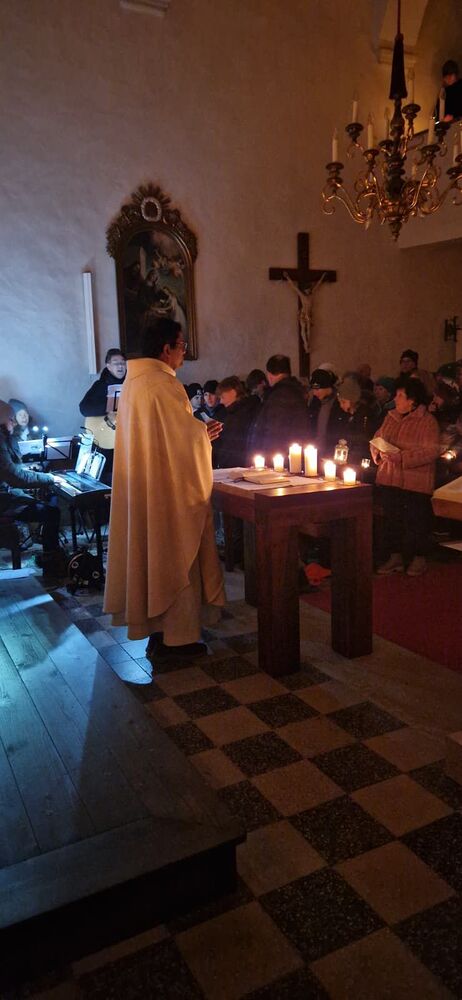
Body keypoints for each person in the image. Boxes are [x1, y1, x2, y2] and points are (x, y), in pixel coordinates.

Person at [103, 317, 225, 660]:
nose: (184, 352)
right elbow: (181, 442)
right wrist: (203, 435)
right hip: (167, 495)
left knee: (150, 555)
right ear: (166, 349)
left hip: (146, 488)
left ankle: (157, 633)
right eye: (181, 346)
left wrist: (195, 434)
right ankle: (179, 639)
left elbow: (165, 436)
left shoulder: (133, 382)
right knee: (173, 556)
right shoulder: (164, 384)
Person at [371, 378, 440, 577]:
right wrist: (378, 452)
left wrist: (402, 458)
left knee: (416, 521)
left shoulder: (427, 422)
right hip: (389, 477)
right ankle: (395, 557)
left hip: (415, 481)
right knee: (392, 520)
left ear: (413, 400)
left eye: (401, 395)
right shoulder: (390, 417)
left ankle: (419, 558)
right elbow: (377, 438)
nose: (396, 399)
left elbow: (431, 451)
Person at [0, 400, 66, 576]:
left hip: (5, 495)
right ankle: (51, 564)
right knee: (52, 512)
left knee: (44, 503)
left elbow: (12, 471)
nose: (14, 423)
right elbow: (16, 478)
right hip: (2, 502)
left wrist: (34, 475)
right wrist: (49, 478)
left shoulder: (4, 438)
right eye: (11, 419)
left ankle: (48, 554)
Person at [247, 354, 309, 462]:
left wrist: (267, 459)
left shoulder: (280, 395)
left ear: (269, 374)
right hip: (290, 454)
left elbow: (275, 432)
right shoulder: (295, 392)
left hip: (277, 457)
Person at [79, 349, 127, 484]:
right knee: (108, 477)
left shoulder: (132, 384)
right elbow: (84, 408)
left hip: (126, 438)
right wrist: (108, 408)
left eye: (123, 363)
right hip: (105, 438)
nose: (120, 366)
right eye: (116, 363)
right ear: (108, 366)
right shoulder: (100, 385)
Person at [215, 376, 260, 468]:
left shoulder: (245, 413)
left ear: (233, 392)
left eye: (223, 397)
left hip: (238, 463)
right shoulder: (228, 413)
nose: (221, 402)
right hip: (232, 462)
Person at [306, 367, 339, 460]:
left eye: (317, 389)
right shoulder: (315, 402)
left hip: (331, 451)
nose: (315, 393)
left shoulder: (338, 403)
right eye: (313, 390)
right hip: (315, 451)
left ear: (327, 387)